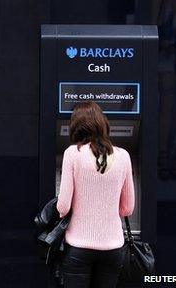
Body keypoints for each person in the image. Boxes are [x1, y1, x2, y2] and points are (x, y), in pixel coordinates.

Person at [57, 101, 135, 288]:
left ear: (76, 125)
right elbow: (127, 208)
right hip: (113, 248)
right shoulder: (123, 156)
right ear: (103, 123)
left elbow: (63, 206)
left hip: (79, 247)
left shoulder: (72, 154)